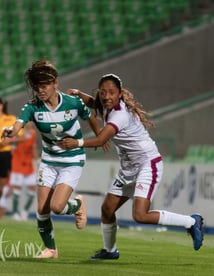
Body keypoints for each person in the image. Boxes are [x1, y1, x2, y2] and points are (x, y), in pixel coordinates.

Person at [66, 74, 204, 259]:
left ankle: (191, 221)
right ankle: (110, 251)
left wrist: (77, 143)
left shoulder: (120, 115)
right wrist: (78, 94)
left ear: (120, 94)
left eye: (112, 93)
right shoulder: (106, 103)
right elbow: (93, 102)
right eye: (103, 92)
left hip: (148, 164)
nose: (107, 96)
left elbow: (101, 139)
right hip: (129, 168)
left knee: (140, 215)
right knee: (107, 209)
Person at [1, 59, 102, 258]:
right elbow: (18, 124)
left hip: (72, 160)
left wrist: (99, 137)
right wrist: (11, 132)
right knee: (41, 209)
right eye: (37, 87)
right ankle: (51, 249)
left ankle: (77, 204)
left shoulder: (72, 102)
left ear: (56, 83)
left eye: (45, 85)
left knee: (57, 207)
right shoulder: (33, 107)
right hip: (49, 160)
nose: (40, 90)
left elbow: (89, 116)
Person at [9, 121, 38, 221]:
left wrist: (37, 160)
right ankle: (15, 212)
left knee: (33, 189)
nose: (30, 123)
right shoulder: (18, 132)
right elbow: (12, 147)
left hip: (28, 165)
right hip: (17, 165)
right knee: (17, 189)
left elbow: (33, 147)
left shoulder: (33, 133)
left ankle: (25, 210)